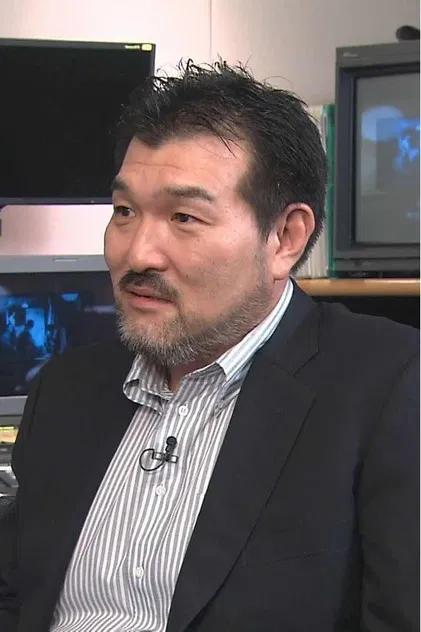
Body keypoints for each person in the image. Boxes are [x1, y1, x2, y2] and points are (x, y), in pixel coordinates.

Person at [0, 61, 418, 632]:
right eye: (124, 212)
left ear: (285, 237)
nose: (138, 253)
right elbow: (15, 596)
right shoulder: (65, 388)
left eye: (184, 217)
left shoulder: (390, 387)